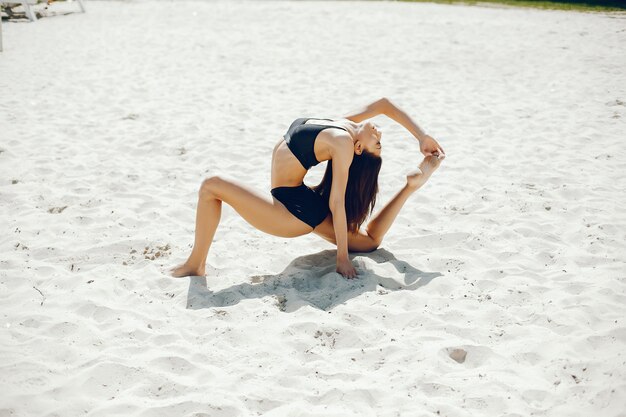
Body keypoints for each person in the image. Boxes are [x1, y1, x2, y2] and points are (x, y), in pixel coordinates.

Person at [171, 97, 445, 279]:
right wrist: (421, 136)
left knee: (211, 185)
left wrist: (341, 260)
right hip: (302, 198)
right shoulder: (347, 125)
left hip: (291, 209)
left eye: (377, 143)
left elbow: (338, 202)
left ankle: (196, 264)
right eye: (380, 140)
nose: (380, 134)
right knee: (369, 241)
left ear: (358, 148)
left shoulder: (343, 142)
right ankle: (411, 186)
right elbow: (386, 105)